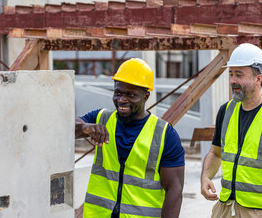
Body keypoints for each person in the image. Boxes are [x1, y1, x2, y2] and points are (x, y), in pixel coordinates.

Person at [200, 43, 262, 218]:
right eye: (231, 74)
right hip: (226, 208)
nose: (233, 80)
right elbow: (215, 153)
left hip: (261, 212)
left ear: (258, 79)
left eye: (239, 75)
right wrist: (205, 177)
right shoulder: (226, 111)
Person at [75, 58, 185, 218]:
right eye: (118, 93)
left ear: (146, 96)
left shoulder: (164, 134)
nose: (122, 100)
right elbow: (66, 127)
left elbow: (174, 189)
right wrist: (85, 128)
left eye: (131, 95)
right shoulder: (101, 118)